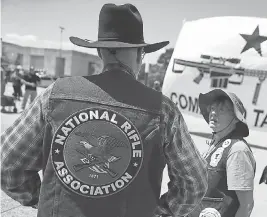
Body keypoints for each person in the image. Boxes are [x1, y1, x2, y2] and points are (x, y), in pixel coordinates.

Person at [1, 4, 208, 217]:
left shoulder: (54, 94)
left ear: (100, 52)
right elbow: (194, 184)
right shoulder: (164, 110)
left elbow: (7, 165)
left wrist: (42, 199)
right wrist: (161, 213)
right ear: (140, 53)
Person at [190, 89, 256, 217]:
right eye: (213, 108)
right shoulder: (214, 146)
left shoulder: (237, 149)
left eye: (221, 110)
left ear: (236, 118)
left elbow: (246, 206)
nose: (213, 113)